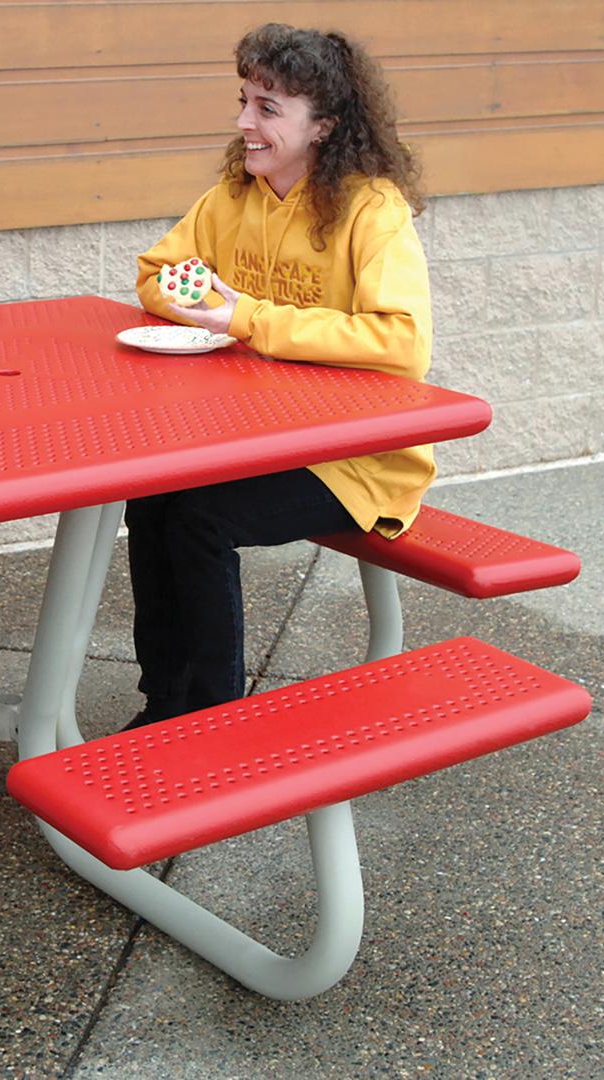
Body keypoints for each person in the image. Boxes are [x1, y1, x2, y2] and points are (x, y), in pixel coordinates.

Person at [124, 25, 434, 729]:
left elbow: (403, 342)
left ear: (323, 125)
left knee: (202, 518)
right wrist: (196, 300)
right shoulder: (236, 196)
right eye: (244, 100)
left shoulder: (371, 210)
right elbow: (154, 274)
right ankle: (163, 703)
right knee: (151, 498)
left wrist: (245, 316)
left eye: (268, 107)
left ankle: (215, 719)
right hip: (261, 435)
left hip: (360, 459)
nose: (244, 122)